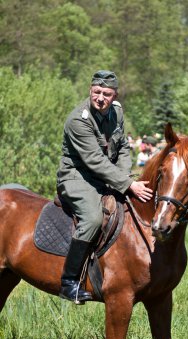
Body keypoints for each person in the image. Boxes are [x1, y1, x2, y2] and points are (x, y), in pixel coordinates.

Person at [56, 70, 153, 304]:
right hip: (77, 177)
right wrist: (128, 184)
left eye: (106, 94)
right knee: (93, 218)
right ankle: (69, 281)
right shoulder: (79, 120)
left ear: (114, 95)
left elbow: (122, 149)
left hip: (106, 177)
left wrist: (126, 176)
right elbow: (94, 161)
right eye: (96, 92)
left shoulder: (116, 111)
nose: (100, 97)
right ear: (90, 90)